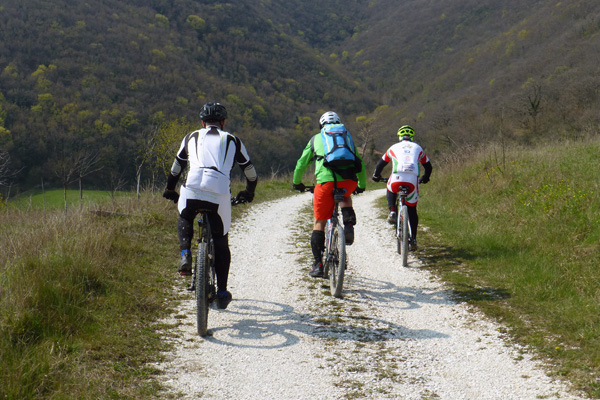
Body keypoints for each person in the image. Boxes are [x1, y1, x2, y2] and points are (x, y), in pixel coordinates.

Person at [162, 102, 258, 309]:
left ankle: (185, 253)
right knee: (221, 241)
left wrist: (170, 189)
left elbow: (176, 168)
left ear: (202, 122)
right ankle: (222, 291)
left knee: (185, 216)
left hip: (193, 186)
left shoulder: (191, 137)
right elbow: (250, 172)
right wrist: (249, 192)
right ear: (223, 122)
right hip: (219, 191)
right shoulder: (233, 140)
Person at [292, 111, 366, 278]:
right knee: (346, 196)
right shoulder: (346, 136)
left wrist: (297, 182)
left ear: (321, 126)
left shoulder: (316, 139)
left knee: (319, 221)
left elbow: (301, 163)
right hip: (348, 181)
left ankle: (318, 264)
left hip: (325, 183)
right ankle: (348, 225)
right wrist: (361, 185)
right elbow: (359, 162)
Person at [372, 125, 432, 251]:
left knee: (390, 188)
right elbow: (428, 167)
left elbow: (381, 164)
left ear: (399, 136)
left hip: (397, 177)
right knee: (412, 210)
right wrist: (425, 178)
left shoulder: (393, 147)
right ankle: (414, 238)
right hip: (412, 179)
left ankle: (393, 211)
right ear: (412, 137)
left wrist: (376, 176)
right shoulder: (418, 148)